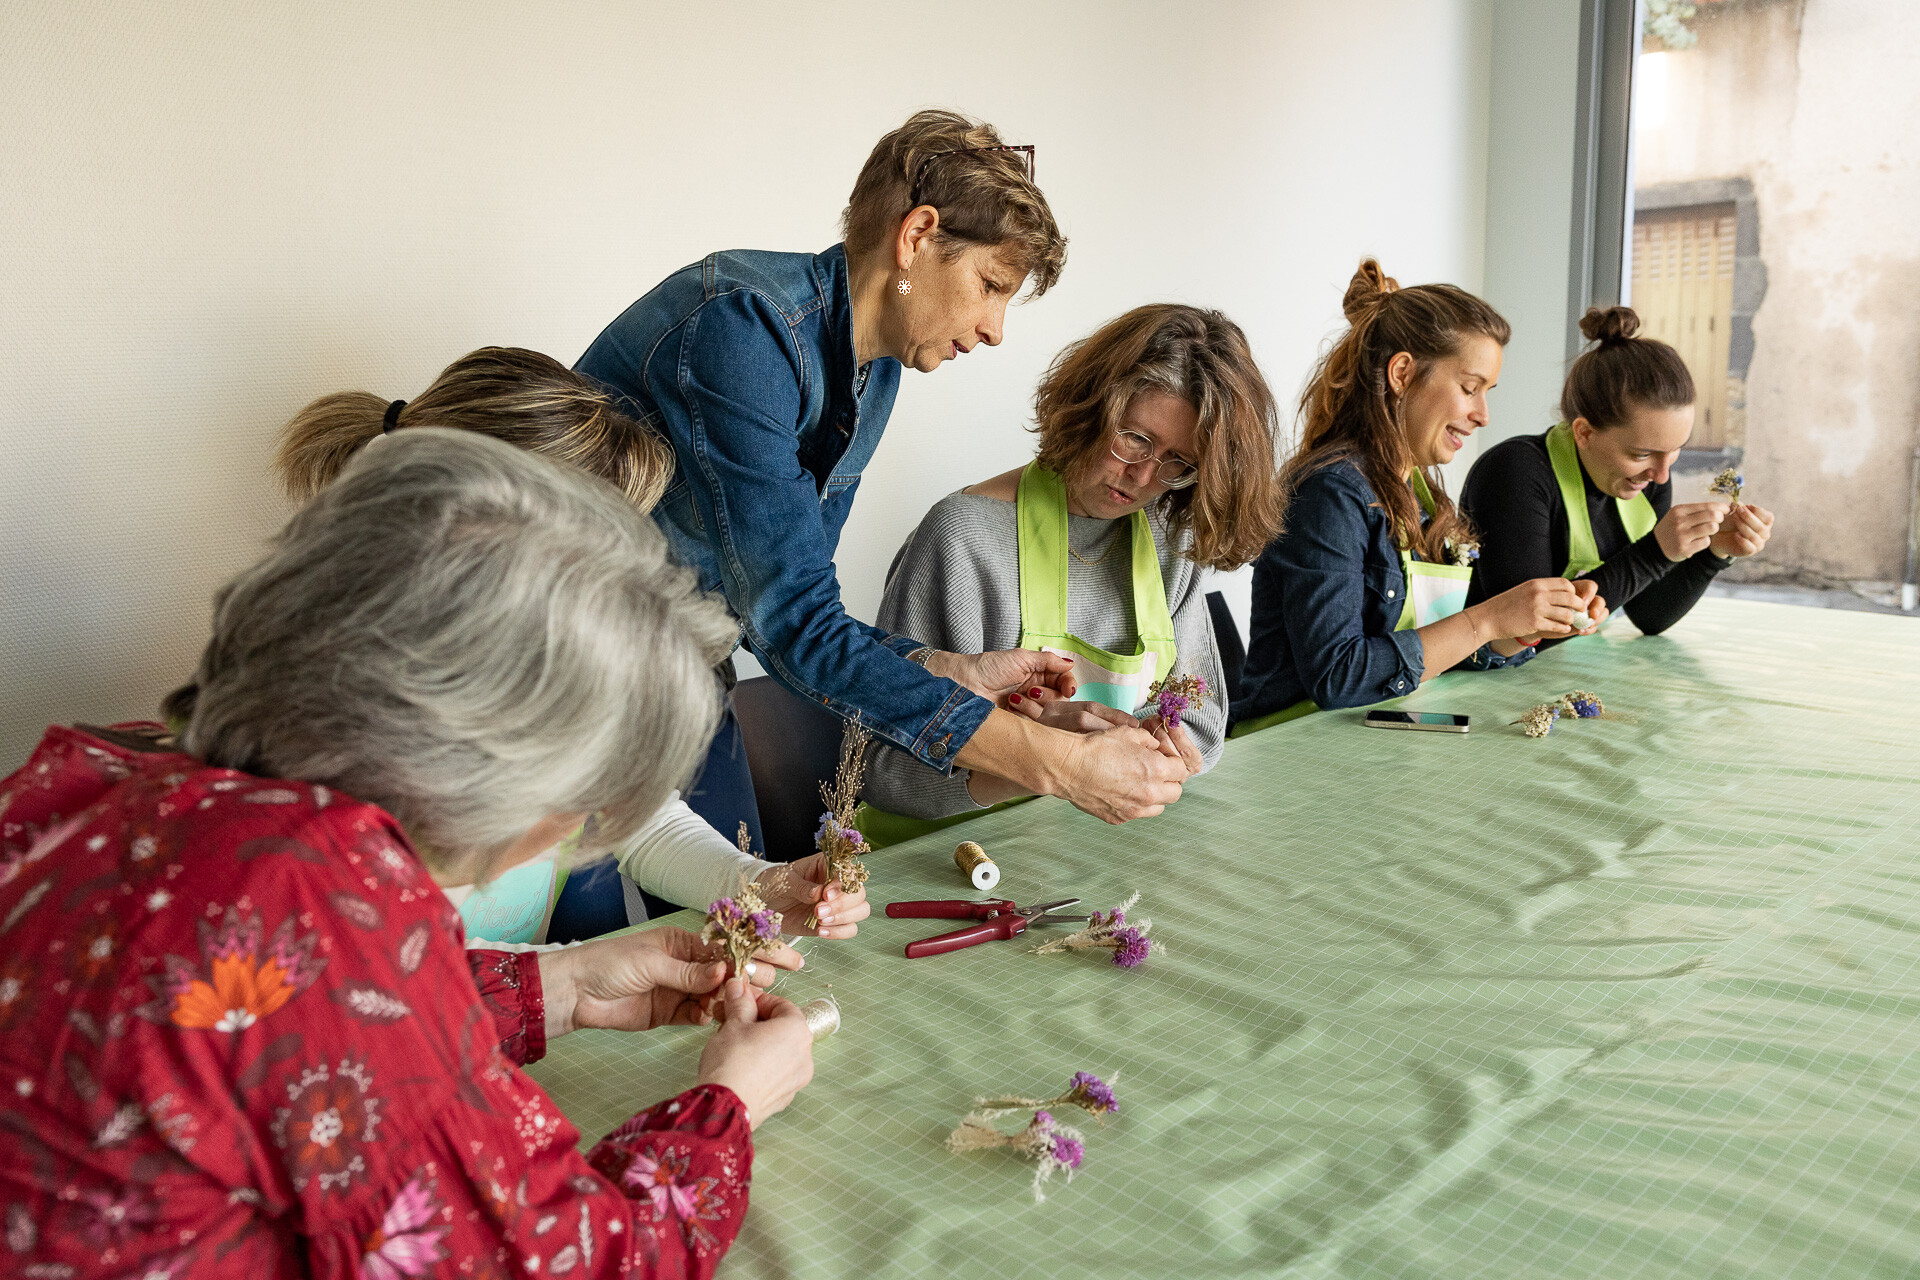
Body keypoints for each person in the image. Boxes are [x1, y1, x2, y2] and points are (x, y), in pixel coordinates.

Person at [0, 430, 816, 1278]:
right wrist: (726, 1108)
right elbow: (554, 1264)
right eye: (584, 797)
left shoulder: (108, 781)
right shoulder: (306, 895)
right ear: (480, 765)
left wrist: (558, 989)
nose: (573, 829)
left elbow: (256, 1038)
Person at [574, 108, 1189, 840]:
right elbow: (795, 623)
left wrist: (942, 668)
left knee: (736, 923)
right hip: (571, 680)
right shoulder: (740, 329)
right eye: (991, 285)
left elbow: (794, 610)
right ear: (918, 236)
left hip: (682, 676)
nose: (996, 328)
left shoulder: (877, 373)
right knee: (612, 937)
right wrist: (1051, 760)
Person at [274, 346, 871, 942]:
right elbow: (378, 963)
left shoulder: (544, 658)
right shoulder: (334, 715)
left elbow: (636, 819)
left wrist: (756, 883)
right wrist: (569, 980)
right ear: (468, 534)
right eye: (580, 564)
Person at [863, 304, 1285, 829]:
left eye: (1178, 462)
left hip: (1102, 836)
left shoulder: (1169, 540)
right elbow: (876, 769)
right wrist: (1043, 759)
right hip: (955, 851)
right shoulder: (962, 538)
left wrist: (1162, 749)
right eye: (1135, 438)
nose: (1144, 476)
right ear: (1091, 406)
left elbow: (1201, 727)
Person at [1233, 260, 1603, 732]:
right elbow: (1338, 677)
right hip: (1289, 748)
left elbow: (1429, 654)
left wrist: (1519, 630)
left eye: (1487, 392)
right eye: (1470, 389)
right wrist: (1486, 620)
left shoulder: (1422, 497)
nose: (1483, 414)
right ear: (1403, 373)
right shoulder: (1330, 495)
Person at [1461, 305, 1775, 634]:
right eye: (1642, 454)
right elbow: (1523, 634)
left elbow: (1647, 615)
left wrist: (1714, 551)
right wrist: (1656, 552)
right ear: (1583, 433)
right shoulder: (1516, 474)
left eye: (1675, 451)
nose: (1662, 475)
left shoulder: (1649, 480)